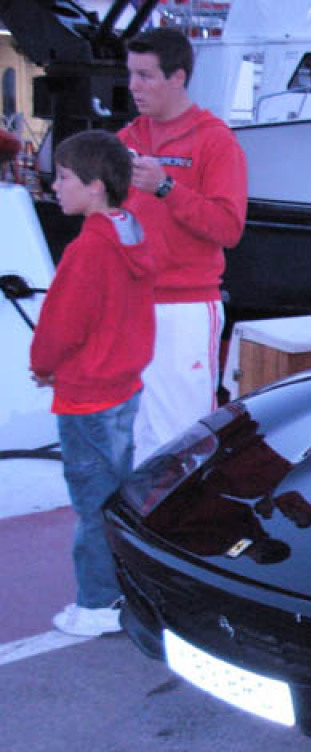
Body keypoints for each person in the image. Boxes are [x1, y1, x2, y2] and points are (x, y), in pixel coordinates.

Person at [29, 130, 156, 637]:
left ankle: (98, 603)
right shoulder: (131, 234)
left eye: (63, 177)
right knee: (116, 492)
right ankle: (120, 586)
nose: (55, 186)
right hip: (123, 388)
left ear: (95, 186)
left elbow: (59, 325)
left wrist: (43, 366)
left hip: (86, 399)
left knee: (91, 504)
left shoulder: (87, 251)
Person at [118, 26, 247, 463]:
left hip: (184, 311)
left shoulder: (215, 141)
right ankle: (138, 527)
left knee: (184, 440)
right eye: (131, 74)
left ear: (178, 77)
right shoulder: (125, 142)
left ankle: (190, 528)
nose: (134, 86)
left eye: (146, 76)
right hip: (129, 305)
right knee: (133, 434)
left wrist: (166, 187)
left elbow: (228, 228)